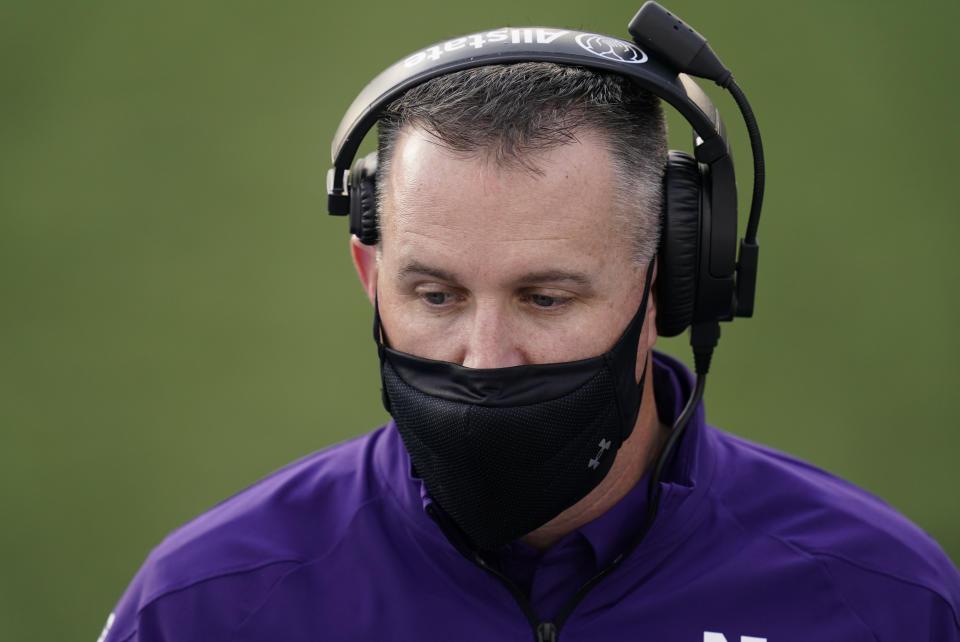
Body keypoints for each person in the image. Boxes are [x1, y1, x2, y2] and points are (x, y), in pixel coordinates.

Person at [100, 9, 960, 642]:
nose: (484, 358)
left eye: (545, 299)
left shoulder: (886, 600)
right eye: (435, 296)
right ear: (370, 279)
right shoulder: (203, 605)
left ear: (670, 285)